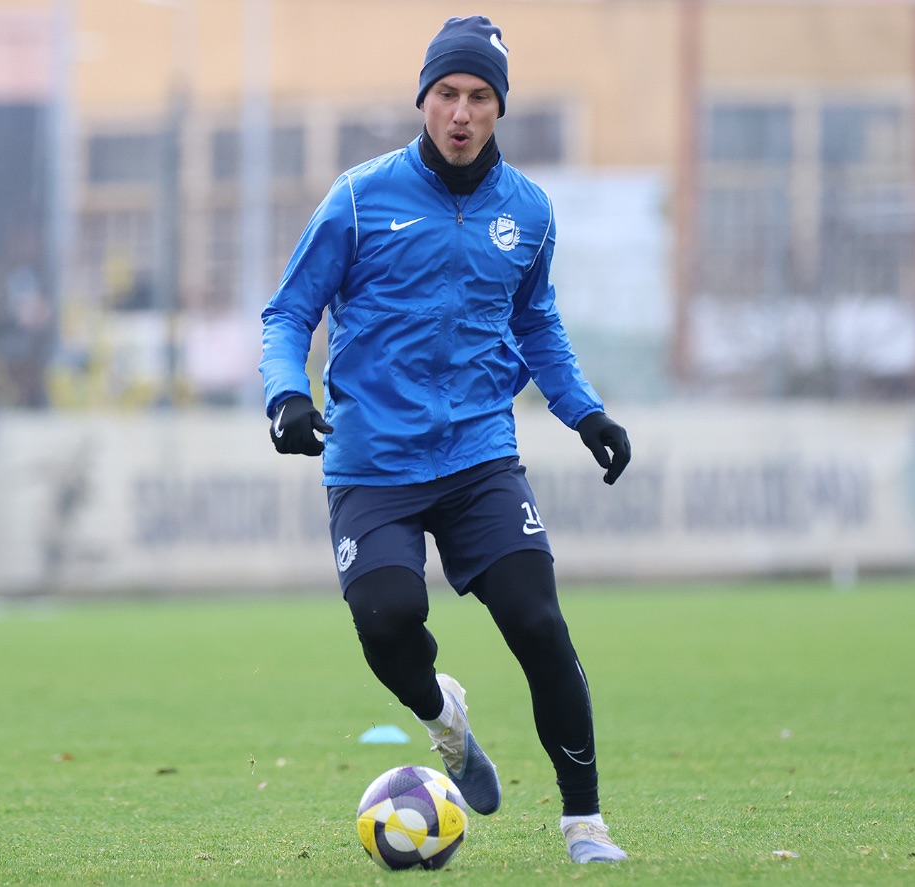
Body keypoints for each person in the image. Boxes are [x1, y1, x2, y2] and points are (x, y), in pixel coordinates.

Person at [259, 14, 631, 864]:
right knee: (387, 619)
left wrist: (586, 412)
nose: (462, 113)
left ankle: (584, 822)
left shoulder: (529, 212)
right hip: (373, 461)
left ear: (500, 107)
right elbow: (289, 312)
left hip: (477, 456)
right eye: (447, 94)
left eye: (480, 97)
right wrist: (286, 396)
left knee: (539, 622)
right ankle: (444, 718)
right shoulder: (360, 199)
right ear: (423, 99)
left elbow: (537, 324)